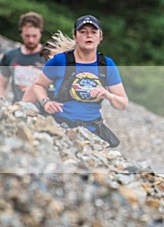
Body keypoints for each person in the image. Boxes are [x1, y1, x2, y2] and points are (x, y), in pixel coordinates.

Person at [29, 15, 128, 147]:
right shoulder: (60, 60)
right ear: (75, 37)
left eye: (94, 32)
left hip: (92, 131)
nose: (89, 36)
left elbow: (122, 104)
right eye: (83, 32)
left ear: (100, 37)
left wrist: (107, 95)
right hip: (60, 126)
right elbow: (38, 84)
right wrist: (45, 102)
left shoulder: (107, 64)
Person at [0, 12, 46, 102]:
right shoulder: (10, 56)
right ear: (21, 32)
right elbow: (1, 84)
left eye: (34, 36)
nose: (31, 40)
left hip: (43, 110)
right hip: (18, 108)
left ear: (41, 32)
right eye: (27, 36)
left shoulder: (50, 57)